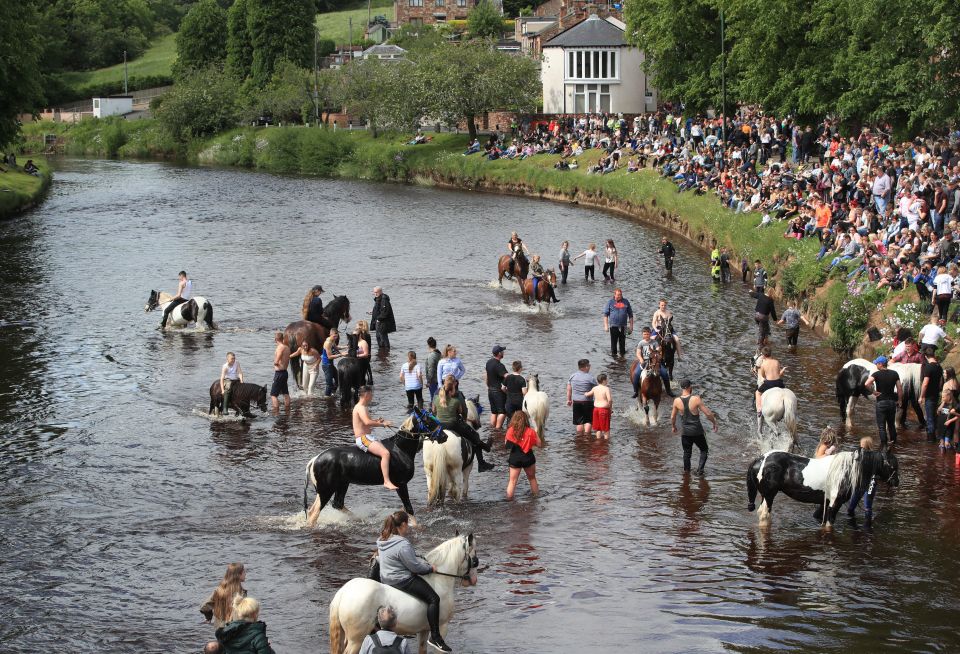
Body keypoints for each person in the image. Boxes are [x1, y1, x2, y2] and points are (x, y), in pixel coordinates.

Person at [376, 511, 451, 653]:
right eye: (407, 525)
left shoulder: (383, 539)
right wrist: (430, 568)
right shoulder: (403, 544)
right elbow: (415, 567)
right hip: (401, 580)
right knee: (434, 598)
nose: (409, 528)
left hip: (385, 578)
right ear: (403, 525)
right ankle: (435, 636)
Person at [433, 376, 494, 471]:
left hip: (439, 425)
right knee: (475, 436)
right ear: (454, 384)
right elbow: (463, 413)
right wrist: (464, 419)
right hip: (454, 424)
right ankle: (481, 464)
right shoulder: (457, 397)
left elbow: (433, 411)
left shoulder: (436, 395)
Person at [353, 386, 398, 489]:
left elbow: (366, 422)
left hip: (367, 437)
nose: (372, 396)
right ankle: (386, 481)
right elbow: (367, 422)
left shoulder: (362, 407)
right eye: (371, 394)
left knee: (387, 450)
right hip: (363, 438)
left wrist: (377, 421)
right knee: (385, 453)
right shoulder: (360, 407)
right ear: (367, 394)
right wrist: (383, 424)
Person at [670, 379, 718, 475]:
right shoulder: (696, 399)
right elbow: (708, 413)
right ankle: (700, 470)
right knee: (704, 450)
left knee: (687, 453)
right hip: (697, 431)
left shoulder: (676, 401)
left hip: (685, 432)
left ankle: (686, 473)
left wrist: (673, 426)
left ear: (681, 388)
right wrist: (714, 423)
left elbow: (672, 417)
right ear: (689, 387)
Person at [865, 356, 901, 447]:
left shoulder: (876, 374)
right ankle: (893, 443)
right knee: (891, 425)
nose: (876, 365)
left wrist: (873, 392)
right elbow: (899, 388)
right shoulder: (894, 373)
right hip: (892, 403)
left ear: (881, 364)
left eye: (877, 363)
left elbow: (866, 383)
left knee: (881, 427)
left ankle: (884, 445)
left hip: (881, 403)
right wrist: (900, 400)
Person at [504, 409, 540, 499]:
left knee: (512, 481)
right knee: (532, 479)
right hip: (528, 457)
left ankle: (509, 500)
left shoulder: (510, 430)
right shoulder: (531, 431)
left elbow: (506, 445)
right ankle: (536, 498)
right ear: (526, 420)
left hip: (515, 457)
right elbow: (539, 444)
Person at [200, 563, 248, 629]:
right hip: (235, 629)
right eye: (244, 572)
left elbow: (204, 607)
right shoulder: (240, 594)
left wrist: (209, 617)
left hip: (219, 630)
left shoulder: (219, 590)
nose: (245, 574)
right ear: (238, 575)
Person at [633, 327, 672, 397]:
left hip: (654, 362)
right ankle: (636, 391)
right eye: (644, 334)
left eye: (648, 334)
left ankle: (668, 391)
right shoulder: (641, 343)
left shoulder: (654, 342)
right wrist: (641, 361)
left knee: (665, 373)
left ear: (650, 334)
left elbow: (658, 351)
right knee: (636, 374)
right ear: (642, 335)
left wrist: (659, 350)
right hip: (644, 361)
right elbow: (638, 353)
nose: (646, 336)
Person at [754, 345, 786, 424]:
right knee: (785, 393)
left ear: (763, 355)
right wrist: (783, 370)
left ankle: (759, 409)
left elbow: (763, 376)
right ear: (771, 354)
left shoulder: (763, 364)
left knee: (757, 393)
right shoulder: (777, 362)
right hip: (779, 383)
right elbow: (779, 374)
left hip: (769, 383)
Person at [567, 359, 598, 436]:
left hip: (576, 401)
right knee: (588, 421)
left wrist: (569, 400)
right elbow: (597, 390)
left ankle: (579, 438)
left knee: (579, 422)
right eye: (589, 365)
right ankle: (587, 437)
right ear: (586, 367)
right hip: (587, 402)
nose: (590, 367)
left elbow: (569, 389)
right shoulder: (590, 378)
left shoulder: (572, 376)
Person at [920, 347, 945, 442]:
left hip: (929, 396)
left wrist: (921, 396)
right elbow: (941, 381)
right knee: (934, 416)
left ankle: (931, 440)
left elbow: (925, 383)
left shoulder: (928, 367)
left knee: (929, 418)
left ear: (926, 356)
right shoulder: (939, 366)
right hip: (936, 394)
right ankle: (937, 437)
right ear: (934, 355)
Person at [603, 288, 634, 357]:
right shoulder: (610, 302)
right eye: (618, 295)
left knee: (622, 345)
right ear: (614, 295)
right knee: (614, 346)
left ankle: (622, 360)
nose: (619, 296)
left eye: (620, 295)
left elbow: (630, 315)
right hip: (613, 326)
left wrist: (631, 327)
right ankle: (614, 361)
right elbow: (605, 315)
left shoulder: (626, 302)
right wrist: (606, 326)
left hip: (624, 326)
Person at [484, 345, 509, 429]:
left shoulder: (488, 362)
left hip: (490, 390)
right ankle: (497, 429)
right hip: (498, 392)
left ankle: (492, 429)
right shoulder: (499, 365)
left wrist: (488, 385)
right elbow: (507, 376)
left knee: (494, 412)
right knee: (503, 412)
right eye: (502, 351)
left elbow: (486, 376)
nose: (503, 352)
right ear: (499, 353)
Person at [936, 367, 958, 451]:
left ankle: (943, 445)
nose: (943, 374)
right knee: (954, 428)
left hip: (947, 406)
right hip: (955, 406)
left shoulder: (947, 384)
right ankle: (953, 444)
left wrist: (940, 407)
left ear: (949, 374)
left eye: (945, 373)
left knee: (943, 425)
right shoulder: (956, 382)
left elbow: (945, 398)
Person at [585, 373, 612, 439]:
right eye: (606, 379)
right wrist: (610, 408)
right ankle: (606, 443)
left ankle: (598, 442)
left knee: (598, 428)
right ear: (603, 381)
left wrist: (585, 393)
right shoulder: (606, 389)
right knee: (606, 429)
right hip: (604, 410)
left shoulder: (595, 388)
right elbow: (610, 400)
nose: (607, 381)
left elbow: (587, 394)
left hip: (596, 409)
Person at [271, 332, 291, 412]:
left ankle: (275, 412)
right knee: (285, 393)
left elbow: (277, 360)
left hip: (279, 373)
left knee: (273, 395)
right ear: (282, 339)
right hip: (285, 372)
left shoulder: (280, 348)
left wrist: (275, 362)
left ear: (275, 339)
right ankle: (287, 410)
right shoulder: (287, 347)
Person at [321, 328, 342, 397]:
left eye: (337, 336)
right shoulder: (328, 343)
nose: (335, 338)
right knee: (329, 384)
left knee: (337, 380)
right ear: (330, 334)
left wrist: (347, 347)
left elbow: (336, 348)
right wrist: (341, 355)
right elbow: (329, 356)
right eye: (334, 336)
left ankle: (332, 393)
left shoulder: (332, 341)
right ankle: (327, 397)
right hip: (326, 365)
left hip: (331, 364)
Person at [355, 320, 374, 385]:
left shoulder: (363, 336)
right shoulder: (367, 335)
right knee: (367, 368)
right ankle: (370, 381)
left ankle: (369, 381)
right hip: (368, 354)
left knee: (366, 368)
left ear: (361, 327)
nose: (356, 327)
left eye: (357, 326)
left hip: (365, 354)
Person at [424, 337, 441, 403]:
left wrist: (429, 381)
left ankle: (434, 411)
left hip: (433, 380)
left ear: (428, 345)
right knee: (439, 396)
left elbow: (431, 369)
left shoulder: (431, 356)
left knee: (433, 398)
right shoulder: (439, 354)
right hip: (439, 379)